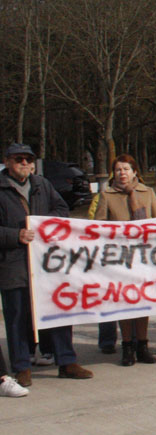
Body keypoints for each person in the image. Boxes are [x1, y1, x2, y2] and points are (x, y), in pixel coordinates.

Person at [1, 143, 91, 388]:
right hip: (13, 263)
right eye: (19, 159)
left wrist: (48, 227)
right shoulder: (1, 189)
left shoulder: (43, 185)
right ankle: (21, 367)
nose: (25, 164)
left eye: (29, 159)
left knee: (59, 310)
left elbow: (61, 209)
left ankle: (67, 361)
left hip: (47, 262)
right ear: (7, 161)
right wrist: (15, 235)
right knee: (18, 316)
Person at [95, 153, 156, 365]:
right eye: (118, 170)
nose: (122, 173)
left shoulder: (148, 192)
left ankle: (142, 344)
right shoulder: (107, 195)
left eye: (126, 169)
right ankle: (127, 346)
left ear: (135, 172)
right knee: (124, 302)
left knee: (143, 302)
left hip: (144, 256)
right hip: (120, 259)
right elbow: (98, 227)